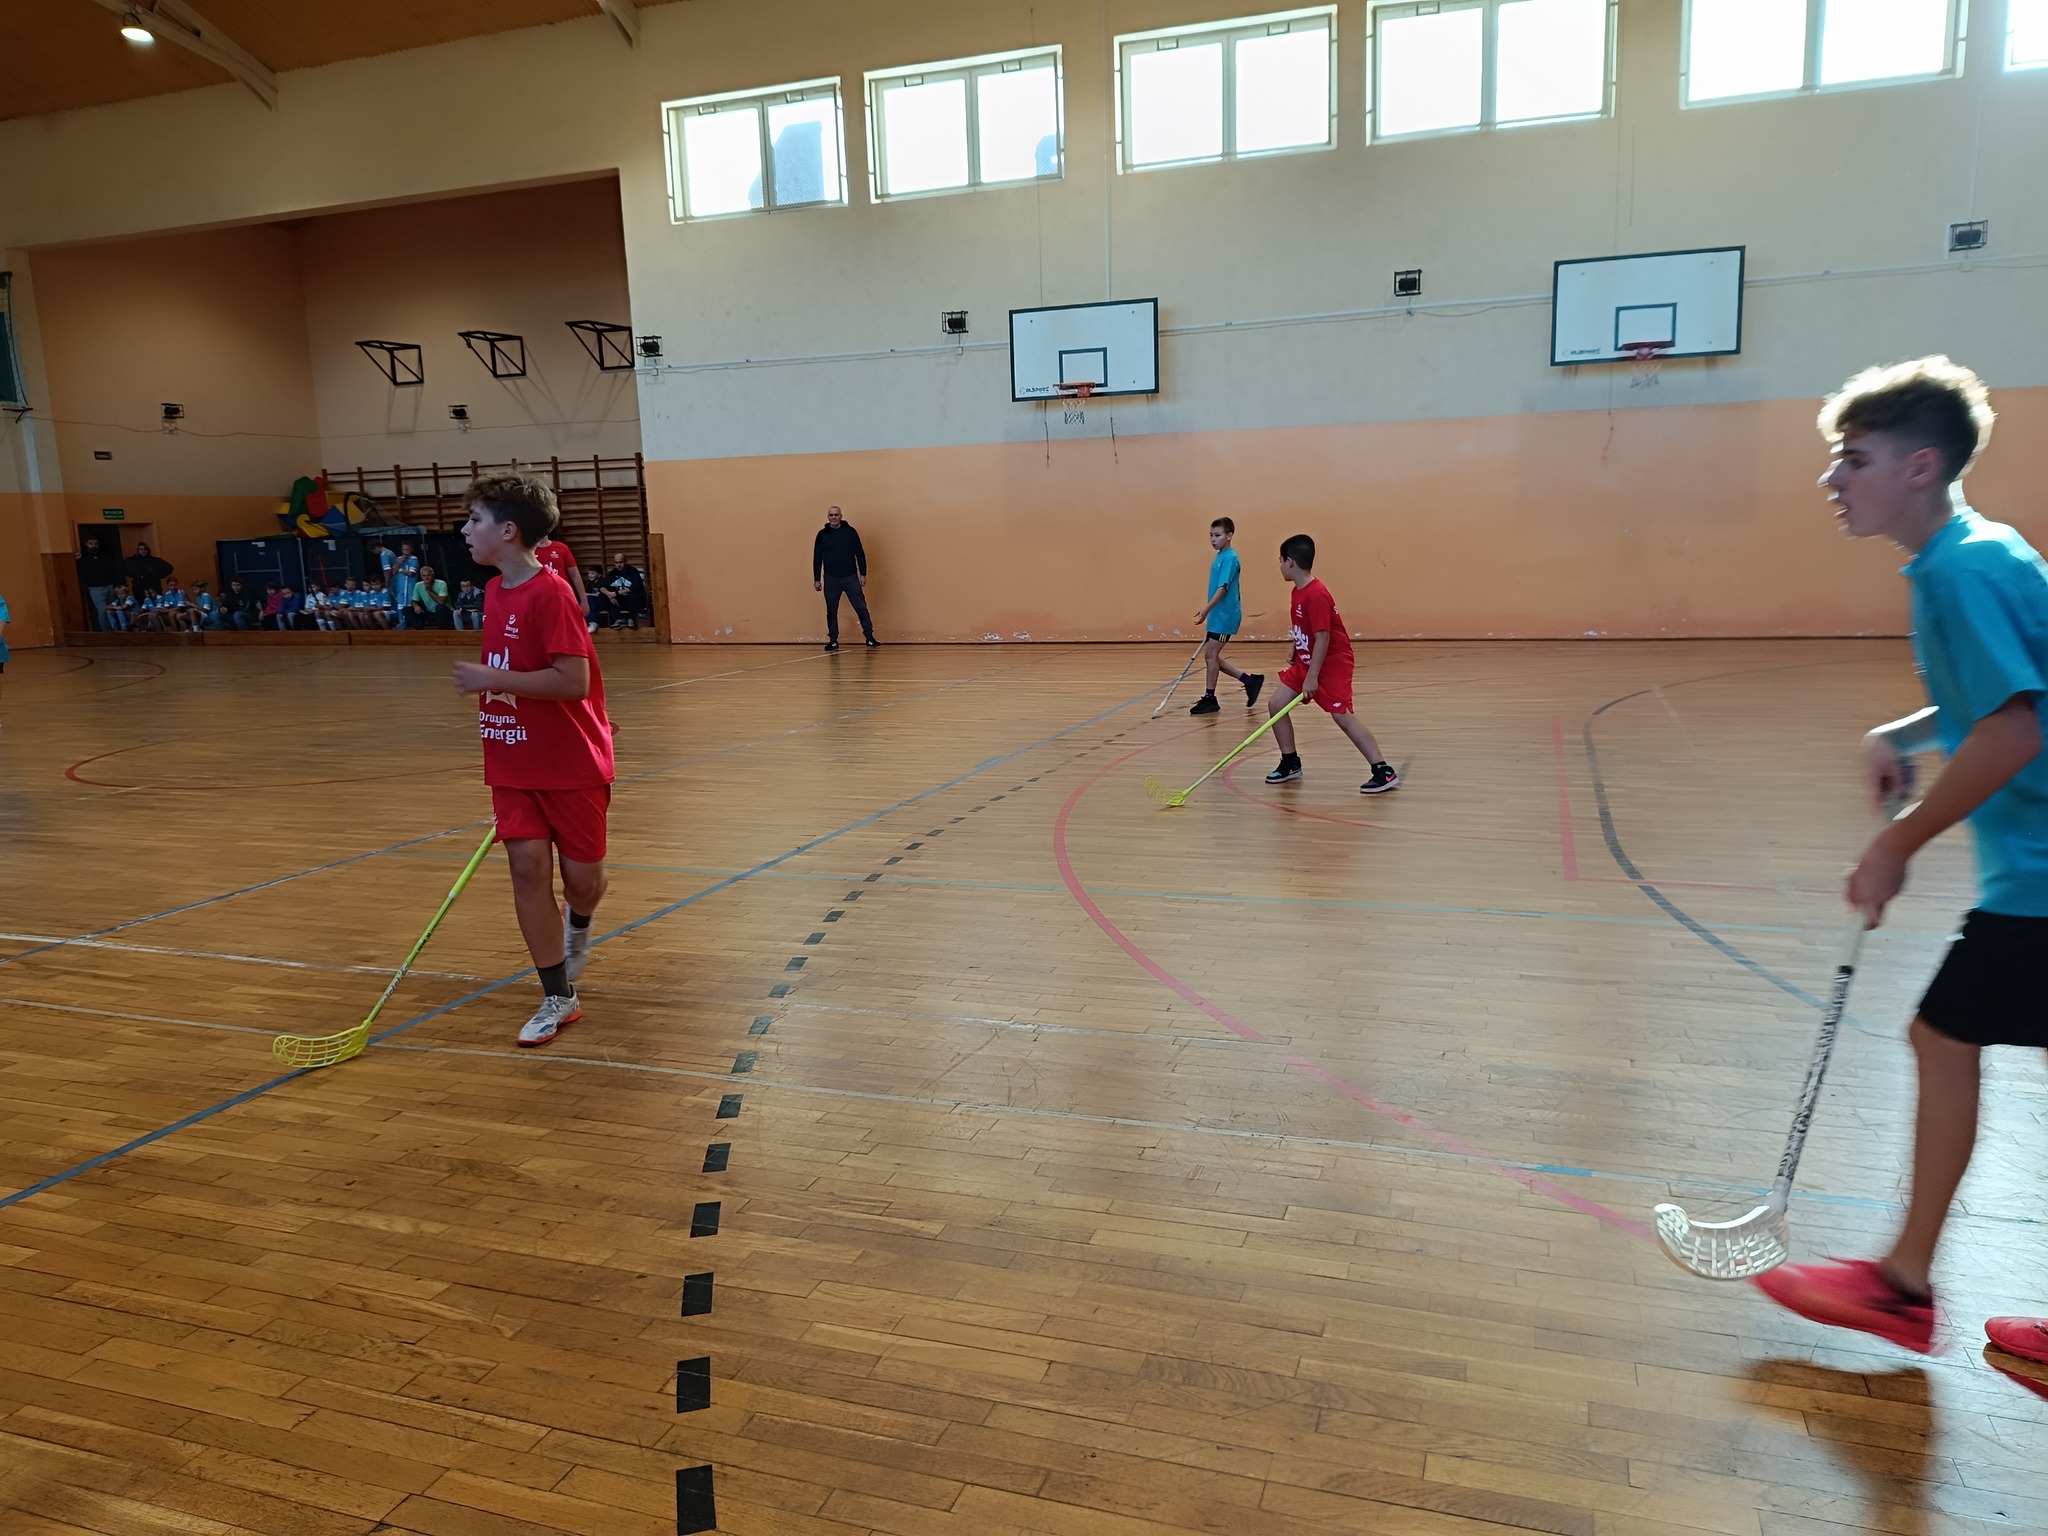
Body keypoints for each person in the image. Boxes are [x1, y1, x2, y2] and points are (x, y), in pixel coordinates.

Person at [1753, 357, 2048, 1375]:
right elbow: (2000, 700)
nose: (1833, 480)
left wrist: (1895, 841)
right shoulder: (1969, 553)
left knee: (1941, 1034)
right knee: (1944, 1037)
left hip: (2041, 878)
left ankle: (1902, 1286)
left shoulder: (1962, 571)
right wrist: (1905, 733)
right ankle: (1905, 1282)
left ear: (1919, 466)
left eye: (1855, 461)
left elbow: (2013, 732)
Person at [453, 473, 615, 1049]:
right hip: (512, 755)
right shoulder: (494, 592)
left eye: (474, 520)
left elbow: (573, 681)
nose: (465, 529)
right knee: (526, 868)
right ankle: (557, 996)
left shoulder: (552, 594)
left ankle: (580, 920)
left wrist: (490, 679)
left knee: (581, 882)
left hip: (570, 761)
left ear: (507, 530)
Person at [1263, 534, 1399, 794]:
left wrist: (1312, 677)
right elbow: (1307, 627)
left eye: (1280, 561)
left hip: (1330, 664)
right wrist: (1296, 646)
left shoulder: (1316, 594)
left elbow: (1323, 636)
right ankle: (1290, 762)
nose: (1279, 566)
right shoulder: (1298, 591)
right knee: (1276, 704)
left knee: (1341, 715)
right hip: (1307, 661)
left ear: (1290, 562)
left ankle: (1383, 770)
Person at [1188, 516, 1262, 716]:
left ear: (1229, 535)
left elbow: (1223, 588)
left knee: (1211, 655)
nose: (1213, 539)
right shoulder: (1221, 556)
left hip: (1225, 615)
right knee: (1211, 656)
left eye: (1218, 535)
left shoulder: (1230, 558)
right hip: (1217, 615)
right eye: (1211, 535)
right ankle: (1249, 681)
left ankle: (1210, 698)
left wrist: (1206, 609)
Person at [812, 504, 875, 650]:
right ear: (828, 517)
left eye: (836, 515)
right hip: (831, 578)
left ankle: (870, 637)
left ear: (841, 516)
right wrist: (817, 579)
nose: (834, 517)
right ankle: (833, 640)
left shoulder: (850, 532)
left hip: (850, 577)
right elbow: (817, 557)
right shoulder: (822, 535)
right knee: (831, 610)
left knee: (861, 607)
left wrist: (863, 573)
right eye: (831, 515)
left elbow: (859, 553)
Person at [537, 534, 590, 623]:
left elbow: (574, 575)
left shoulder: (562, 548)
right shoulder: (527, 551)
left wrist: (584, 600)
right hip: (539, 599)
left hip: (561, 598)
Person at [76, 533, 122, 631]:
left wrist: (116, 584)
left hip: (109, 585)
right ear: (86, 544)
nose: (94, 546)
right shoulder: (83, 558)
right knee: (102, 610)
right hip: (95, 587)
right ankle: (105, 632)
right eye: (91, 544)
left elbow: (112, 570)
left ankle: (117, 629)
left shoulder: (105, 556)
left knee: (115, 609)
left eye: (96, 544)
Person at [598, 552, 648, 631]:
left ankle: (632, 619)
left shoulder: (632, 571)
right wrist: (609, 595)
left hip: (633, 600)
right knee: (601, 597)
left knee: (633, 595)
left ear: (625, 561)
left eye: (621, 562)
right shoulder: (613, 573)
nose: (619, 565)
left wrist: (616, 593)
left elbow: (635, 587)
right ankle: (619, 618)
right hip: (619, 600)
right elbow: (601, 587)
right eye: (616, 562)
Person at [412, 564, 452, 629]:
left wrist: (429, 591)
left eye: (428, 575)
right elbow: (414, 600)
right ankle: (420, 630)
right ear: (421, 576)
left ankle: (442, 631)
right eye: (424, 576)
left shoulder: (441, 583)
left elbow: (441, 602)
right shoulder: (418, 585)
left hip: (445, 613)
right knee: (406, 609)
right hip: (430, 612)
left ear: (433, 575)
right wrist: (415, 605)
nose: (426, 578)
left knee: (440, 608)